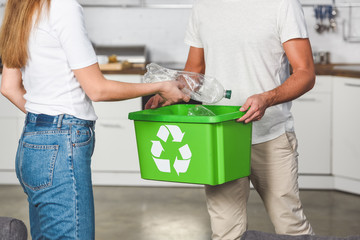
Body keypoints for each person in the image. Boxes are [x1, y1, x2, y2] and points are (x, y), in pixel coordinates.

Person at [0, 0, 189, 239]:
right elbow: (97, 89)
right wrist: (161, 86)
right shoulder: (63, 7)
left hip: (31, 144)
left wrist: (47, 122)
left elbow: (8, 87)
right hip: (60, 148)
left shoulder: (19, 9)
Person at [146, 0, 316, 239]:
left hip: (270, 135)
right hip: (219, 139)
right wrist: (171, 92)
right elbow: (195, 70)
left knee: (290, 226)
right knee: (225, 232)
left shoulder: (282, 4)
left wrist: (267, 98)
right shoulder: (203, 6)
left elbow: (306, 73)